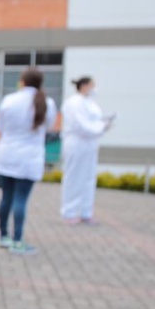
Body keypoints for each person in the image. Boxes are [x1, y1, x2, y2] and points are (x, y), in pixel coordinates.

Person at [0, 68, 58, 255]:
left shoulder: (9, 100)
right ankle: (18, 240)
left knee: (6, 197)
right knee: (21, 199)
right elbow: (49, 127)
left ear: (22, 81)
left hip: (7, 154)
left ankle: (4, 236)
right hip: (29, 158)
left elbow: (0, 127)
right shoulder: (48, 103)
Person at [60, 76, 111, 225]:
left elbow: (94, 121)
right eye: (92, 85)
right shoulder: (73, 102)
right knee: (74, 177)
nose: (95, 88)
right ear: (84, 86)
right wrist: (100, 128)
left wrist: (103, 125)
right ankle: (69, 212)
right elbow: (80, 124)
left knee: (88, 178)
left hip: (90, 143)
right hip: (77, 142)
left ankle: (85, 212)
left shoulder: (90, 103)